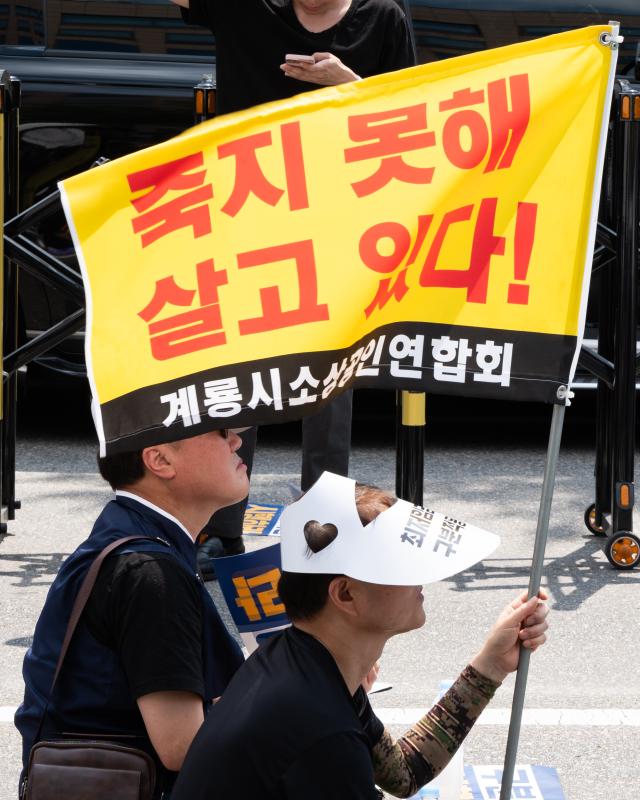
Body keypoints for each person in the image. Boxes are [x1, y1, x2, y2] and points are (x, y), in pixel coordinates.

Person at [172, 0, 417, 569]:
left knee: (330, 380)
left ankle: (322, 535)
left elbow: (408, 113)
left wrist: (345, 83)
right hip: (249, 214)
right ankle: (219, 529)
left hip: (340, 219)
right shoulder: (247, 10)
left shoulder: (383, 19)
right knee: (238, 375)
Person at [172, 473, 550, 799]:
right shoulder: (320, 729)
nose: (422, 575)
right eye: (400, 561)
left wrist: (491, 665)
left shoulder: (305, 663)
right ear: (346, 594)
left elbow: (403, 773)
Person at [15, 427, 250, 798]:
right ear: (160, 460)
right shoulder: (150, 571)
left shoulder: (132, 534)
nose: (237, 441)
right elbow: (184, 746)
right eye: (221, 433)